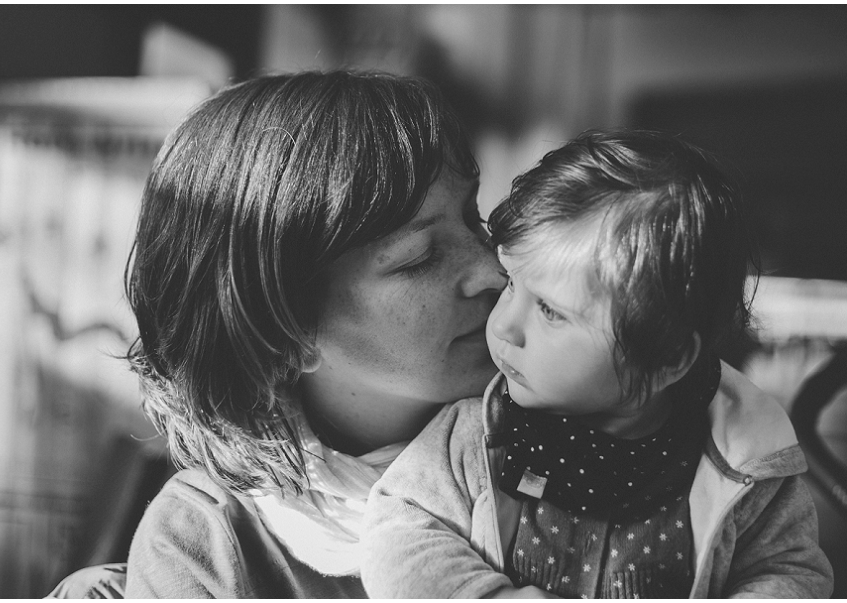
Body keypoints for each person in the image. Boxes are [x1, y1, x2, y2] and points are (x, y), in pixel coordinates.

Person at [46, 70, 505, 598]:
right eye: (418, 259)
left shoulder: (571, 448)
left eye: (474, 218)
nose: (490, 270)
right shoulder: (207, 544)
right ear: (282, 333)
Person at [360, 130, 834, 599]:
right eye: (511, 283)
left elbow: (791, 571)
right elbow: (399, 534)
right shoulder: (475, 432)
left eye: (549, 311)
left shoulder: (745, 459)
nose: (503, 325)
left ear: (666, 359)